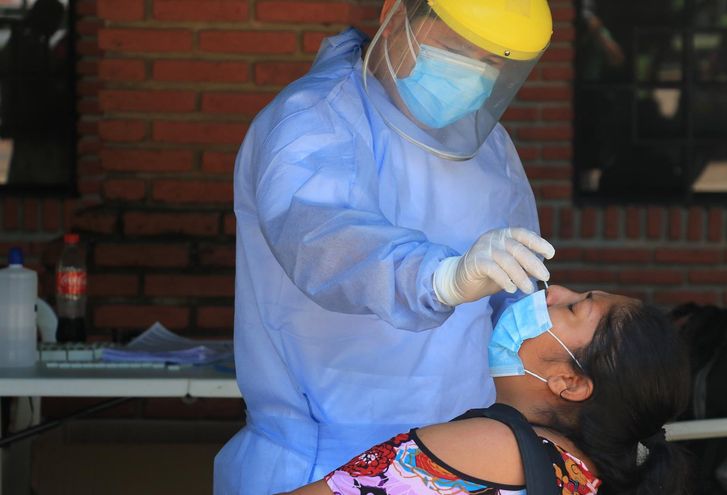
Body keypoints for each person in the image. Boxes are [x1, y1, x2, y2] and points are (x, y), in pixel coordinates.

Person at [214, 1, 558, 493]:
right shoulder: (314, 118)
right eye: (455, 48)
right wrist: (441, 279)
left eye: (489, 62)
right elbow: (322, 239)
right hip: (323, 461)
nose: (470, 72)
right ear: (395, 18)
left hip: (460, 456)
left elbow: (517, 294)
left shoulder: (490, 147)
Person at [281, 287, 692, 495]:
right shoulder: (579, 471)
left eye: (572, 307)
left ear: (570, 382)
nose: (551, 293)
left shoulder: (494, 447)